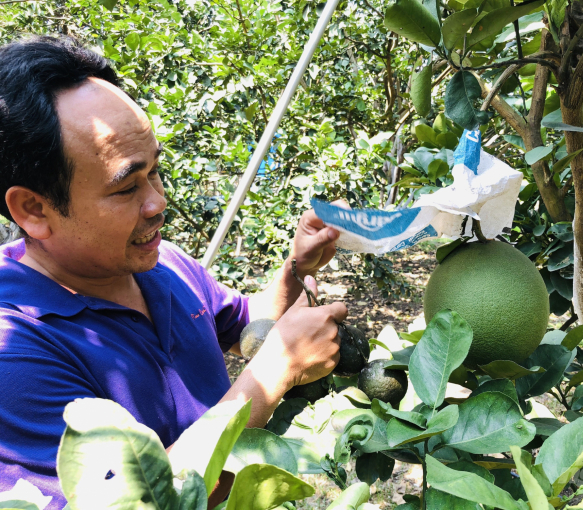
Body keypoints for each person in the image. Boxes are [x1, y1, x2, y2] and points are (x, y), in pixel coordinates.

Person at [0, 36, 348, 509]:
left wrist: (294, 268)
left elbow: (245, 322)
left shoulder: (160, 262)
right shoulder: (15, 350)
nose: (158, 204)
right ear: (34, 208)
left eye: (156, 172)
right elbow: (133, 503)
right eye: (126, 189)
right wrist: (273, 374)